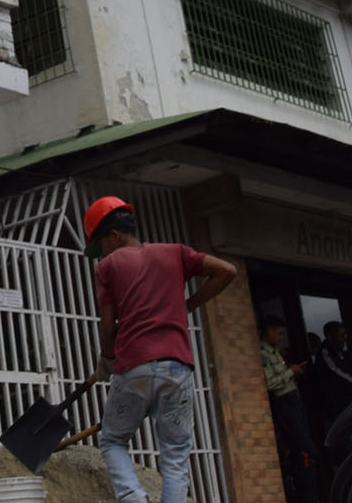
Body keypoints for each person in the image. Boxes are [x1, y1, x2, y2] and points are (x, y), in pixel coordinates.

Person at [86, 195, 237, 503]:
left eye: (100, 244)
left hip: (133, 367)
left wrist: (106, 358)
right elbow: (227, 270)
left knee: (113, 441)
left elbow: (108, 324)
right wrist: (188, 306)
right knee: (176, 455)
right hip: (177, 368)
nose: (100, 252)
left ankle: (134, 499)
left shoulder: (108, 266)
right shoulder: (175, 253)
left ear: (113, 236)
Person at [262, 315, 318, 503]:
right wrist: (289, 372)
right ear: (269, 330)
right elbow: (269, 382)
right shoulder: (262, 353)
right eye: (279, 334)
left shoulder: (275, 351)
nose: (281, 338)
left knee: (303, 450)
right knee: (305, 450)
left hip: (294, 400)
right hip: (283, 403)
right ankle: (306, 497)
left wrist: (293, 373)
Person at [314, 321, 352, 444]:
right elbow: (340, 375)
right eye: (340, 335)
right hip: (341, 405)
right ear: (329, 336)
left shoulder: (344, 353)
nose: (344, 338)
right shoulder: (325, 354)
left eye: (345, 334)